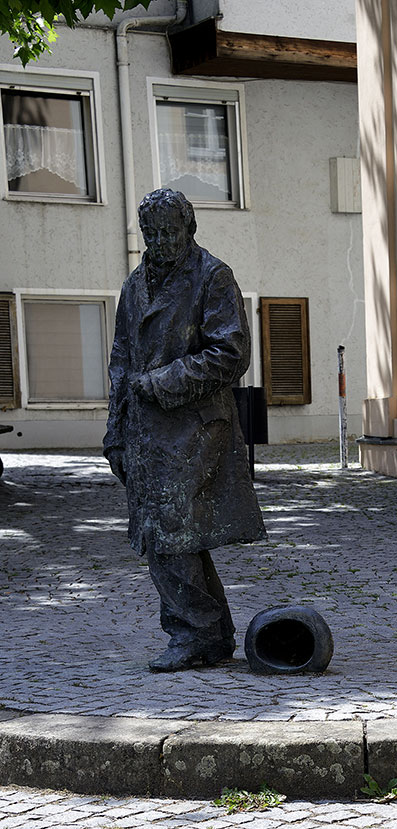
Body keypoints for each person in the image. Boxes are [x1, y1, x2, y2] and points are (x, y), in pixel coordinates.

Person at [104, 188, 266, 672]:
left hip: (193, 429)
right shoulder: (135, 285)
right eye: (150, 233)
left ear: (189, 229)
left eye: (169, 231)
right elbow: (120, 361)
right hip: (144, 432)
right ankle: (212, 635)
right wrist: (115, 429)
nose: (160, 241)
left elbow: (231, 354)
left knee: (166, 532)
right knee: (177, 535)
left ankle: (192, 632)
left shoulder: (213, 277)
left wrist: (160, 383)